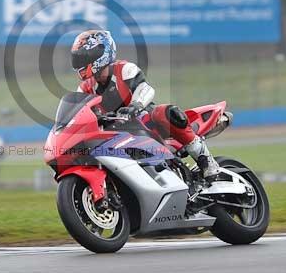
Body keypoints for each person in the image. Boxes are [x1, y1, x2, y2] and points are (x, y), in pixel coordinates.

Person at [70, 29, 219, 181]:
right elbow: (79, 111)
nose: (81, 62)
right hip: (113, 133)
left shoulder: (125, 69)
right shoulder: (85, 87)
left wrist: (135, 105)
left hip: (144, 121)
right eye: (78, 58)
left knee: (165, 112)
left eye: (85, 57)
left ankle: (207, 162)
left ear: (101, 53)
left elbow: (145, 89)